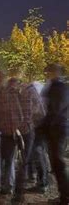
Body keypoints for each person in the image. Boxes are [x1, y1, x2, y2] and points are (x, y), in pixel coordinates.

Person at [0, 76, 34, 203]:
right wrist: (24, 127)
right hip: (24, 131)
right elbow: (33, 112)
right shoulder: (27, 92)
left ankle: (8, 186)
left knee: (9, 160)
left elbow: (0, 113)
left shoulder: (3, 95)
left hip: (8, 132)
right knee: (23, 162)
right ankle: (19, 193)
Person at [42, 64, 68, 204]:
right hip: (55, 128)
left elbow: (55, 109)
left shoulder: (59, 87)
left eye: (48, 71)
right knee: (57, 163)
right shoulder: (54, 86)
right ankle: (64, 195)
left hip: (57, 128)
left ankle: (65, 197)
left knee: (59, 163)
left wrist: (44, 121)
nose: (46, 74)